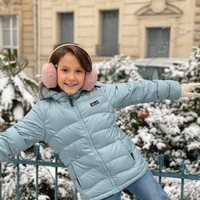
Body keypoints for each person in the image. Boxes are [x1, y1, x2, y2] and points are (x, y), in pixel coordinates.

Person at [0, 43, 200, 200]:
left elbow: (138, 90)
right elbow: (11, 140)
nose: (72, 77)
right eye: (65, 70)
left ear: (88, 75)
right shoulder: (43, 113)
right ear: (52, 73)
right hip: (95, 186)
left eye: (78, 71)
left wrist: (175, 89)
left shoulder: (101, 94)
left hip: (129, 167)